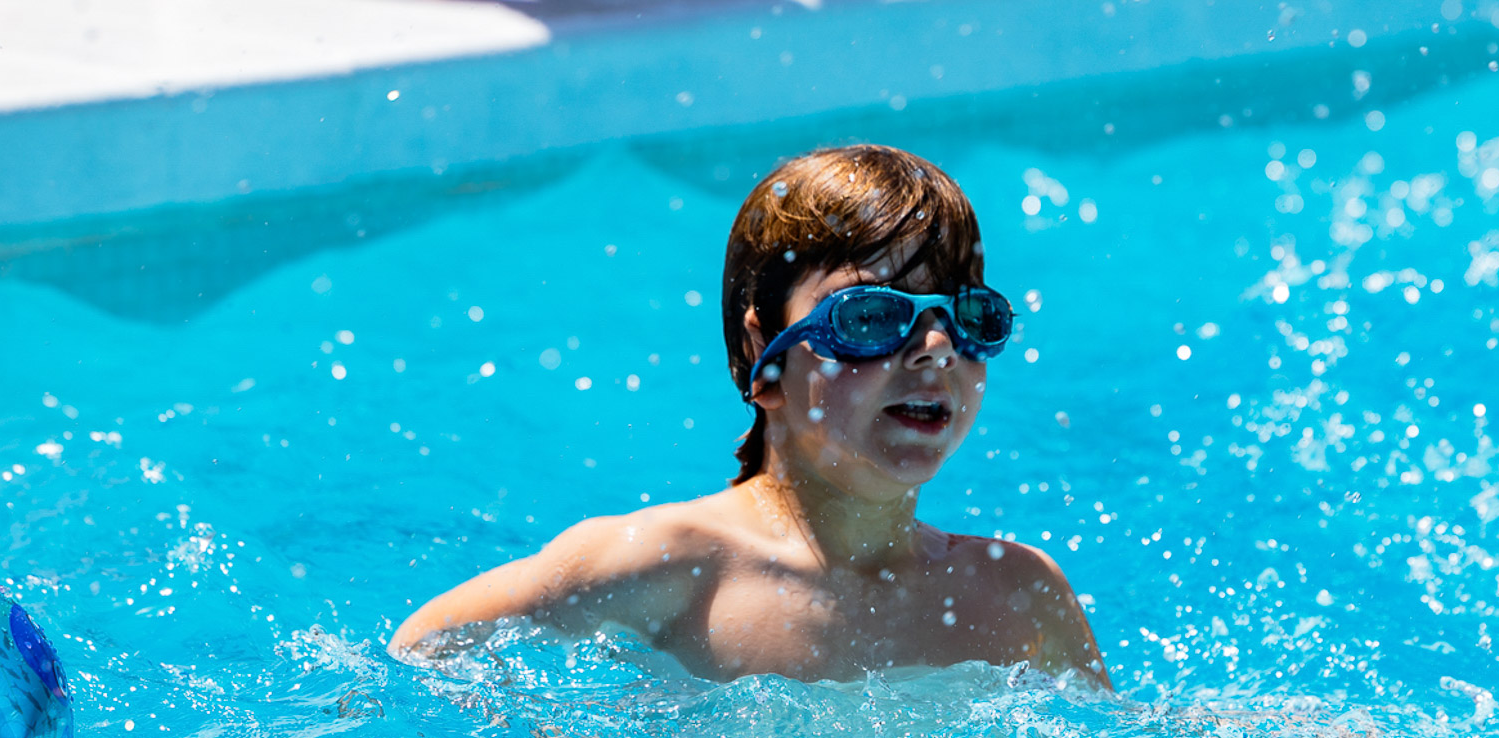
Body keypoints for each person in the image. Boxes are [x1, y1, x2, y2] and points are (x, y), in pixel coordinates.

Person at [389, 144, 1109, 688]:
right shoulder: (666, 564)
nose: (932, 350)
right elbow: (417, 656)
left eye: (966, 319)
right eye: (869, 317)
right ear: (763, 350)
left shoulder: (1016, 591)